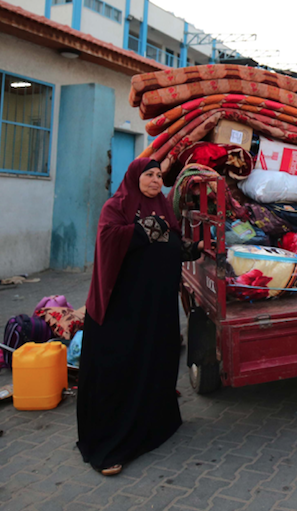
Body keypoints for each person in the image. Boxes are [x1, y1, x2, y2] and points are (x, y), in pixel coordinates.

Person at [77, 158, 201, 476]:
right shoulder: (115, 206)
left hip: (154, 308)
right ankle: (110, 445)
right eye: (149, 175)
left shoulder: (162, 206)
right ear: (134, 177)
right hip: (121, 310)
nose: (155, 180)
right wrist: (144, 230)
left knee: (155, 360)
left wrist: (190, 248)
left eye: (159, 176)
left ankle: (155, 426)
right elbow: (108, 240)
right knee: (119, 367)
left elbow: (172, 241)